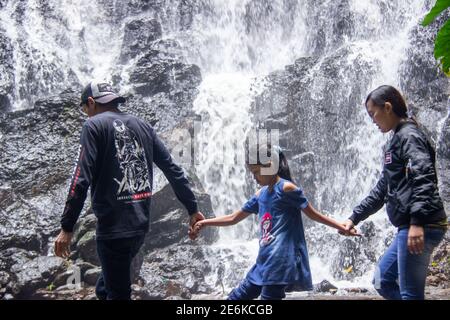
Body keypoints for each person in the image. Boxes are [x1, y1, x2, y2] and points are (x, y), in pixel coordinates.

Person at [54, 81, 205, 300]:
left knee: (117, 293)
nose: (87, 115)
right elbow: (173, 170)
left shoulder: (93, 126)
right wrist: (192, 208)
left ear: (90, 102)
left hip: (113, 230)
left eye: (85, 110)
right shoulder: (142, 125)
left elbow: (80, 179)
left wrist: (67, 227)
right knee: (106, 288)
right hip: (140, 228)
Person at [192, 145, 359, 300]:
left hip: (281, 262)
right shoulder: (260, 195)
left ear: (270, 165)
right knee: (236, 297)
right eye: (252, 172)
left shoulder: (287, 189)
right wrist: (205, 222)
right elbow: (234, 218)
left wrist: (342, 226)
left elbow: (314, 214)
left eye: (256, 172)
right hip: (264, 260)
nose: (254, 177)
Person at [342, 85, 448, 300]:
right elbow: (383, 189)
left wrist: (417, 222)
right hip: (410, 225)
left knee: (410, 294)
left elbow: (424, 175)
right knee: (382, 280)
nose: (372, 120)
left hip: (420, 225)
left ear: (387, 107)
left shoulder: (408, 136)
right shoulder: (397, 140)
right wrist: (354, 217)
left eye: (373, 114)